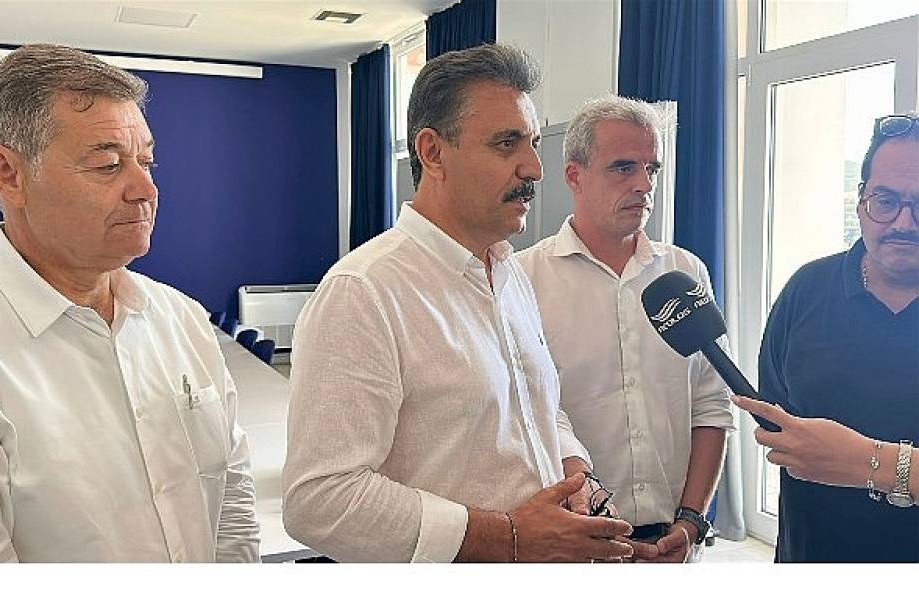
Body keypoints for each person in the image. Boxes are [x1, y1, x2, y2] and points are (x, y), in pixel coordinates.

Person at [282, 44, 637, 563]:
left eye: (534, 143)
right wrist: (507, 537)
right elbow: (320, 500)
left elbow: (533, 410)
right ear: (432, 152)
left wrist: (574, 472)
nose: (535, 168)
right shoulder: (364, 291)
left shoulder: (510, 273)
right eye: (506, 143)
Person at [0, 44, 259, 562]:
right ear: (7, 173)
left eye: (147, 161)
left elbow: (231, 503)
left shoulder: (182, 319)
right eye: (107, 164)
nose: (145, 189)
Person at [517, 96, 734, 562]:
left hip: (674, 540)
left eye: (651, 168)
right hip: (572, 544)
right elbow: (527, 413)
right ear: (574, 175)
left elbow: (711, 405)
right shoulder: (523, 279)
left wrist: (692, 521)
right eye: (623, 168)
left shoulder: (686, 272)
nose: (644, 184)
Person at [733, 113, 919, 562]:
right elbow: (780, 422)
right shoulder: (807, 289)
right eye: (886, 200)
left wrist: (870, 462)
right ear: (861, 203)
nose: (904, 222)